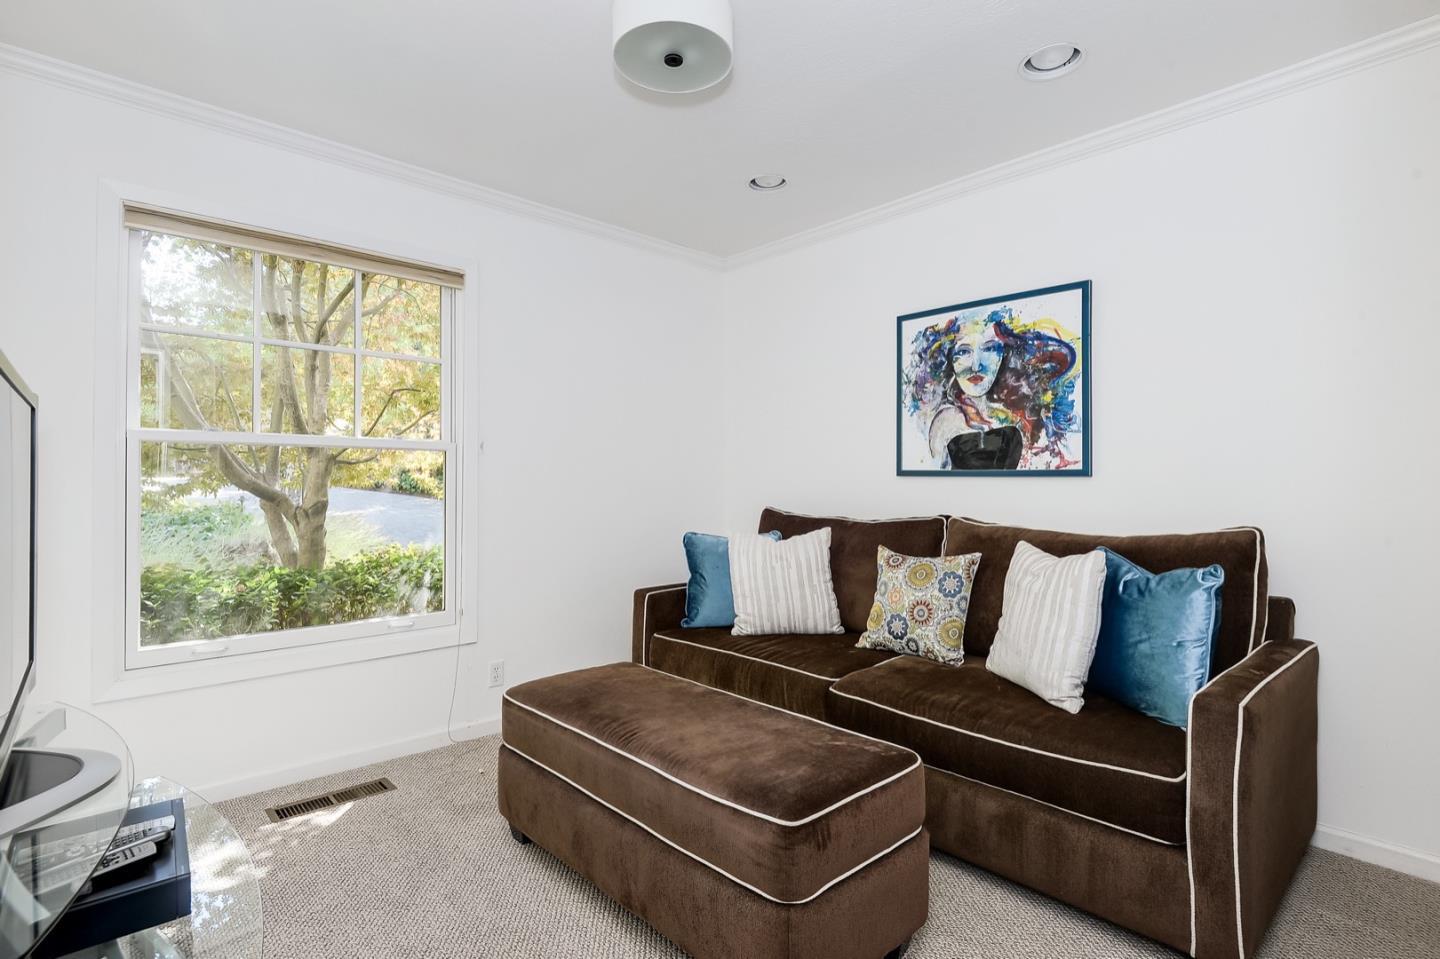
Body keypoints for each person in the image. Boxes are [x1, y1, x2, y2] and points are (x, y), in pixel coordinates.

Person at [905, 307, 1080, 470]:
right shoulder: (944, 423)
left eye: (989, 349)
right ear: (948, 357)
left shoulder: (1021, 419)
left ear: (1005, 354)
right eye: (964, 352)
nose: (975, 366)